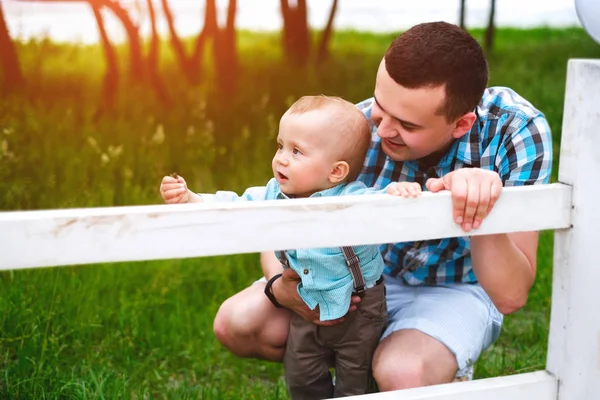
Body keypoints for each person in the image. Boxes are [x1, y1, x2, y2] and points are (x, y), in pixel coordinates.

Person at [211, 21, 553, 392]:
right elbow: (283, 211)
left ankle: (412, 370)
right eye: (380, 105)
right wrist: (281, 285)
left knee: (401, 373)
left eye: (406, 124)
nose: (382, 129)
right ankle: (367, 366)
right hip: (360, 276)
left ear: (461, 124)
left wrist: (480, 209)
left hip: (456, 287)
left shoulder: (516, 130)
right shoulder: (353, 127)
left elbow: (511, 295)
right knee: (237, 322)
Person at [159, 95, 422, 398]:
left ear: (335, 172)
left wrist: (396, 192)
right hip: (306, 301)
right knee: (301, 374)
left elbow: (380, 203)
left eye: (296, 151)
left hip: (359, 307)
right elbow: (235, 204)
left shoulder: (352, 198)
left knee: (356, 380)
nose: (281, 158)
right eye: (280, 146)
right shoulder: (274, 195)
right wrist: (192, 198)